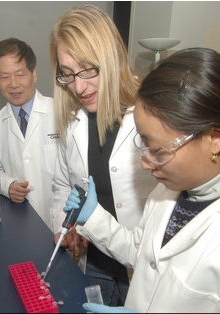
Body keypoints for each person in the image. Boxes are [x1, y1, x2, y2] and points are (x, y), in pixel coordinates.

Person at [63, 48, 220, 312]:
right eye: (143, 143)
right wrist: (93, 216)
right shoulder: (170, 192)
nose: (145, 162)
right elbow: (142, 253)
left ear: (216, 137)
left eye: (159, 150)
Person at [48, 5, 156, 306]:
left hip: (143, 266)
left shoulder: (151, 118)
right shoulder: (73, 121)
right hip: (94, 259)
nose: (79, 86)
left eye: (87, 69)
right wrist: (65, 226)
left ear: (111, 58)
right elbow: (62, 184)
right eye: (67, 74)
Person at [0, 37, 59, 231]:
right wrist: (8, 186)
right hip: (20, 222)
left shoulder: (61, 113)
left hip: (62, 222)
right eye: (4, 77)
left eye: (20, 74)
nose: (13, 84)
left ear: (34, 74)